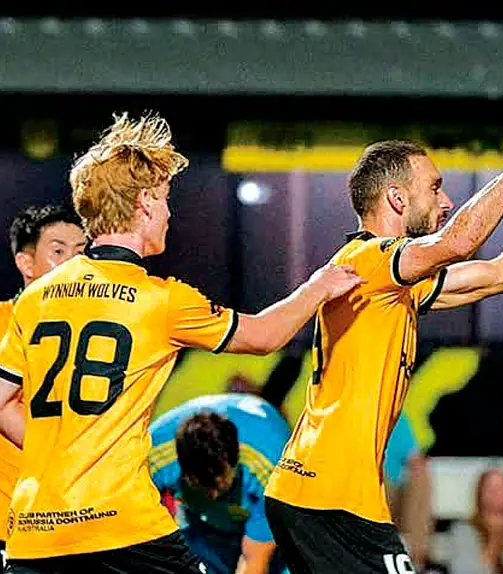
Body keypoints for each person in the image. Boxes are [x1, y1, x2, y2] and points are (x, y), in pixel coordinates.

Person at [264, 86, 503, 573]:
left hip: (321, 495)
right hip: (330, 499)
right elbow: (461, 241)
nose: (447, 199)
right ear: (395, 197)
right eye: (434, 187)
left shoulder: (398, 285)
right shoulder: (370, 259)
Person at [0, 113, 362, 574]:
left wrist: (61, 456)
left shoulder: (35, 297)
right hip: (122, 528)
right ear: (146, 202)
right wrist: (318, 285)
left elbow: (1, 401)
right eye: (167, 199)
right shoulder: (160, 299)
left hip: (36, 532)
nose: (171, 213)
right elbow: (265, 335)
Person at [0, 204, 86, 569]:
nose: (71, 264)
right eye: (58, 251)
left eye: (81, 252)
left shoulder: (94, 332)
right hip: (12, 519)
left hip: (77, 518)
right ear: (25, 263)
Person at [149, 393, 293, 574]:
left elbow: (254, 561)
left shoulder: (272, 470)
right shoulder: (151, 459)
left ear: (235, 460)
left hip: (266, 512)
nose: (213, 495)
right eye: (202, 485)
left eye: (219, 485)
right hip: (200, 525)